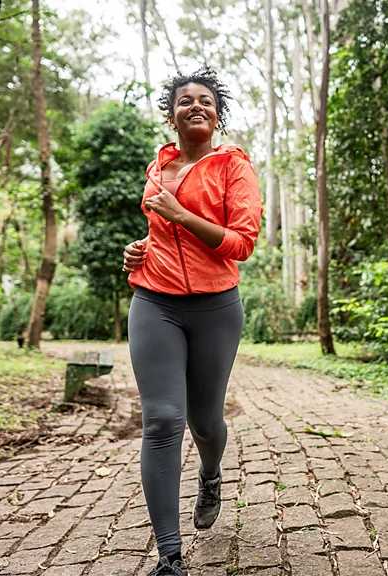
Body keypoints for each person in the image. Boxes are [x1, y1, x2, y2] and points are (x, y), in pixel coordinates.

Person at [121, 67, 262, 576]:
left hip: (216, 307)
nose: (196, 106)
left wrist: (181, 215)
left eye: (206, 100)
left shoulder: (234, 167)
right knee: (162, 420)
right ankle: (170, 556)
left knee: (206, 422)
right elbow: (158, 233)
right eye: (185, 101)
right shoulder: (158, 167)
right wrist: (138, 251)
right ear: (172, 114)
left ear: (217, 114)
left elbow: (241, 244)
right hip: (153, 300)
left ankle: (211, 472)